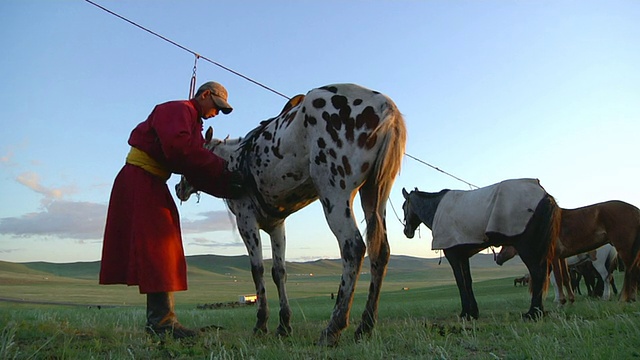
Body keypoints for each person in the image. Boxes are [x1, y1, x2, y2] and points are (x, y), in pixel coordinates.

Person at [99, 81, 243, 339]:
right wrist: (221, 169)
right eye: (217, 106)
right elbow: (179, 150)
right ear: (205, 95)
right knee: (159, 249)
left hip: (150, 180)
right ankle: (162, 325)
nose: (217, 114)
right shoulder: (178, 110)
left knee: (164, 249)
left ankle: (161, 322)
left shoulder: (193, 126)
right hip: (140, 178)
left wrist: (228, 187)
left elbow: (194, 166)